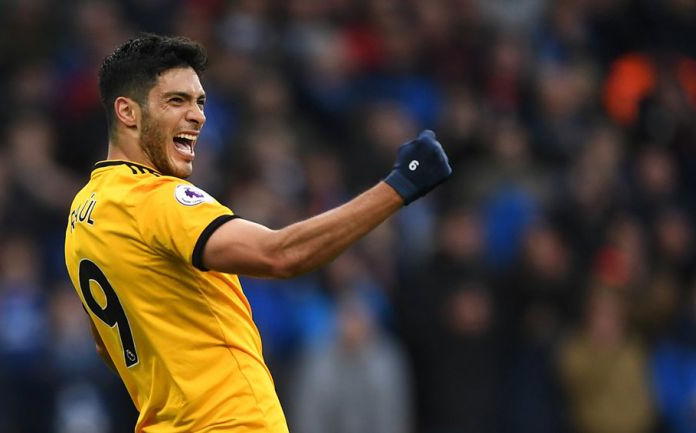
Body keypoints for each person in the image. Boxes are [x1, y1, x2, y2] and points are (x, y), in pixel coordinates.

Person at [63, 33, 452, 433]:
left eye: (200, 102)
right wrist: (400, 186)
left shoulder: (82, 216)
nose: (198, 116)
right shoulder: (156, 199)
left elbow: (106, 346)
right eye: (176, 100)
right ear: (128, 112)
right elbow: (278, 254)